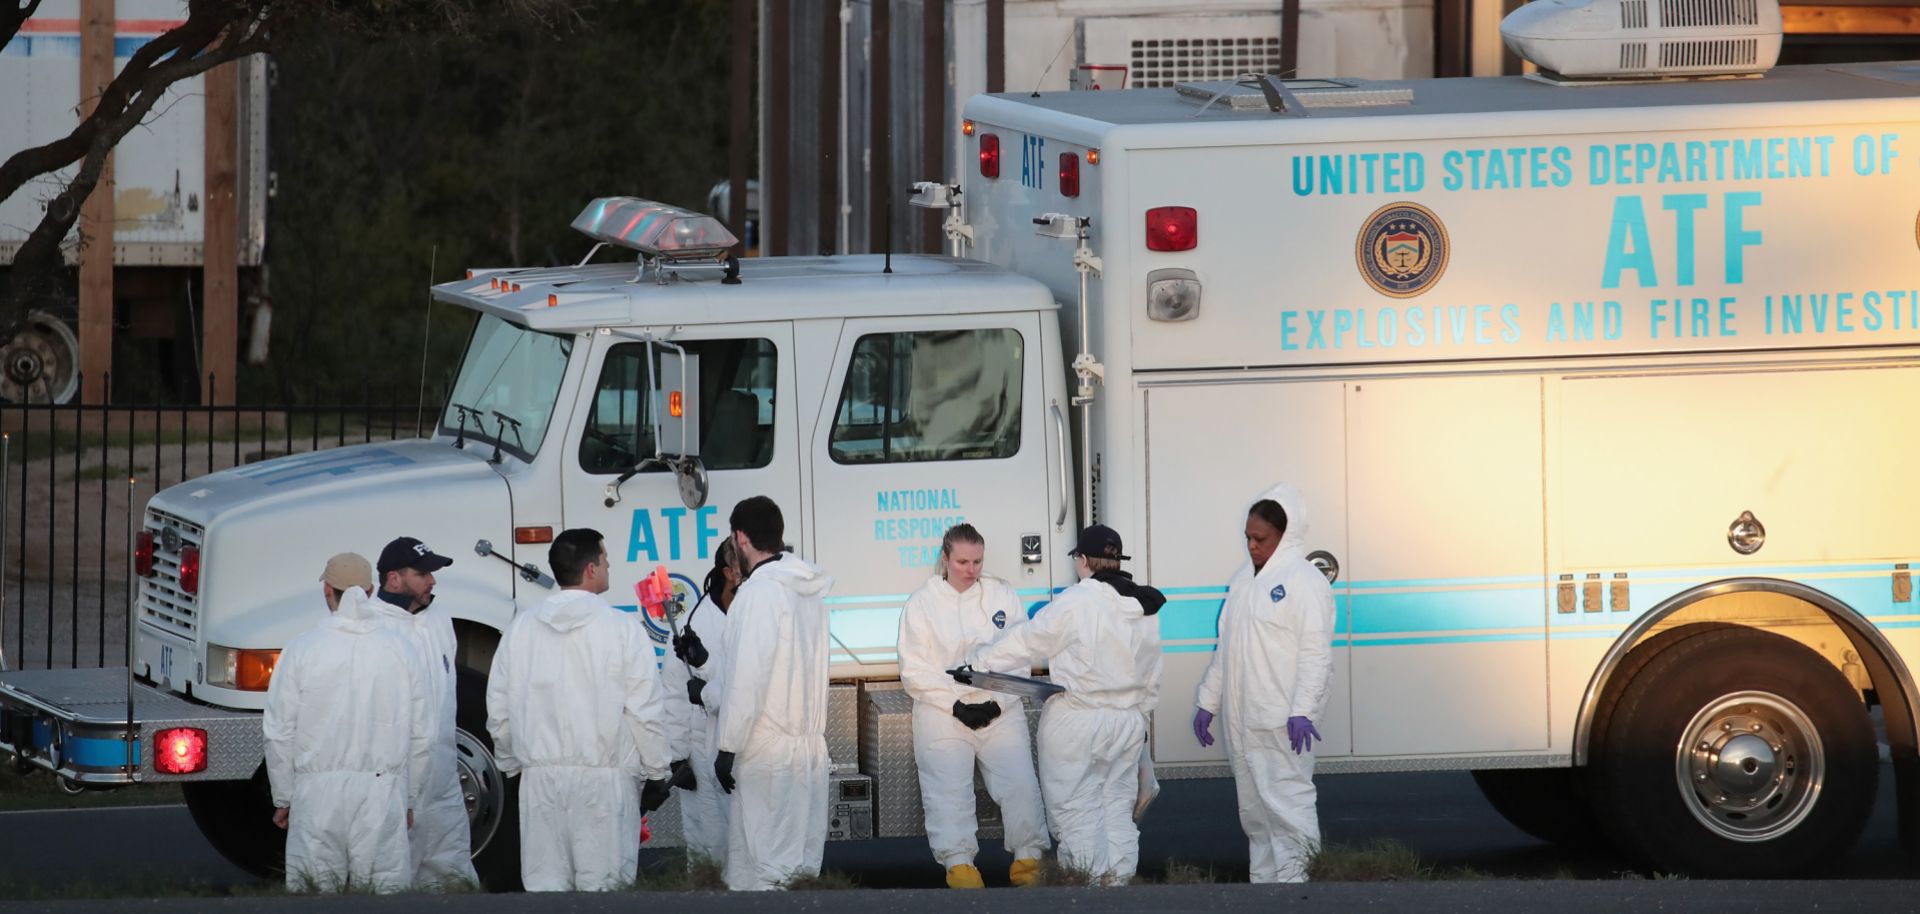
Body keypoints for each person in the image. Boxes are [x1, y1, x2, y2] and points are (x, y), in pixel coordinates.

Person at [968, 525, 1163, 885]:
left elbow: (1029, 640)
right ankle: (1118, 890)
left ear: (1083, 560)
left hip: (1078, 721)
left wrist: (981, 661)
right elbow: (1152, 675)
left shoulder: (1078, 601)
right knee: (1116, 812)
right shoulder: (1145, 606)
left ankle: (1089, 894)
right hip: (1127, 723)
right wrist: (1141, 724)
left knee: (1077, 813)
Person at [485, 528, 675, 891]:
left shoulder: (521, 628)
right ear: (591, 568)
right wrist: (657, 771)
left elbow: (500, 709)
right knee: (604, 890)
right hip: (603, 783)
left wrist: (510, 766)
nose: (609, 565)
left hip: (540, 781)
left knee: (546, 888)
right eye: (605, 559)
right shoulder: (621, 629)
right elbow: (643, 708)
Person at [1191, 483, 1336, 884]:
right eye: (1248, 538)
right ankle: (1265, 890)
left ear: (1285, 535)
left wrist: (1303, 710)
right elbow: (1227, 650)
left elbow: (1315, 653)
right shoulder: (1242, 583)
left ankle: (1297, 891)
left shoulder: (1305, 581)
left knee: (1288, 806)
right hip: (1243, 719)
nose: (1252, 546)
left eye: (1261, 538)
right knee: (1255, 814)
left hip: (1281, 718)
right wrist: (1209, 702)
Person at [264, 553, 432, 894]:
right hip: (382, 792)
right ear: (371, 591)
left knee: (314, 894)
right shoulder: (401, 649)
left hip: (316, 795)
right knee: (384, 894)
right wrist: (410, 798)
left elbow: (280, 731)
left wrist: (284, 797)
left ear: (327, 590)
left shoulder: (302, 649)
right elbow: (422, 734)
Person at [897, 523, 1050, 888]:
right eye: (962, 561)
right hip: (943, 714)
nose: (971, 570)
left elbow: (1019, 656)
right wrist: (956, 705)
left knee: (1020, 784)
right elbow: (914, 670)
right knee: (948, 790)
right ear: (945, 558)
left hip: (999, 711)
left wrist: (997, 701)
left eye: (977, 561)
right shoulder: (922, 603)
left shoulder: (1002, 595)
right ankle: (959, 865)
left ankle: (1028, 860)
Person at [712, 496, 834, 891]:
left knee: (766, 874)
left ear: (741, 537)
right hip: (807, 750)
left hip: (767, 754)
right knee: (791, 871)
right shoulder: (808, 592)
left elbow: (748, 679)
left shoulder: (759, 594)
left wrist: (728, 746)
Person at [373, 536, 479, 888]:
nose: (432, 581)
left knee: (454, 881)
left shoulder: (438, 620)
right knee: (390, 883)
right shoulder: (372, 628)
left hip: (443, 781)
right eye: (422, 574)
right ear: (393, 579)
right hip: (394, 783)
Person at [659, 538, 742, 865]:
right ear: (729, 572)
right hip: (703, 752)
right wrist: (678, 756)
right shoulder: (693, 625)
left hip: (746, 748)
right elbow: (675, 691)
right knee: (710, 852)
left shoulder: (755, 613)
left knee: (750, 851)